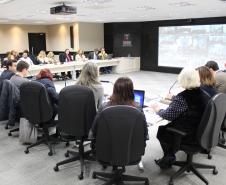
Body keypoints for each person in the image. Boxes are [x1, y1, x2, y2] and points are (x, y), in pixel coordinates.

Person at [151, 68, 210, 169]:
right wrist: (174, 98)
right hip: (203, 132)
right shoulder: (204, 94)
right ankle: (170, 155)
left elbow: (168, 115)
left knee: (162, 131)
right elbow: (190, 102)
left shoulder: (182, 97)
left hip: (189, 135)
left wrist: (157, 110)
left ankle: (169, 157)